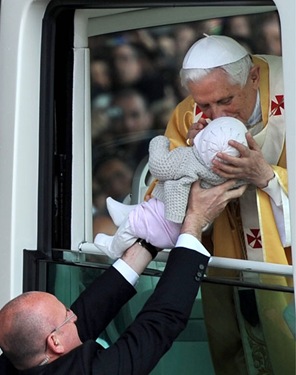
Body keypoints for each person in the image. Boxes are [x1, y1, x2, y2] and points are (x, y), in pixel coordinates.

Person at [0, 180, 247, 374]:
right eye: (66, 314)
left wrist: (147, 244)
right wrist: (195, 222)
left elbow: (86, 316)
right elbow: (158, 325)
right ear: (54, 342)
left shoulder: (20, 360)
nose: (74, 315)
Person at [160, 34, 292, 374]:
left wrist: (267, 178)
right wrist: (193, 156)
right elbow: (163, 196)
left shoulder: (290, 87)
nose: (214, 115)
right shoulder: (190, 113)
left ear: (252, 78)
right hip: (226, 260)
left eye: (225, 100)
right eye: (205, 105)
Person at [94, 116, 248, 258]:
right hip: (179, 223)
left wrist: (159, 142)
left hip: (166, 222)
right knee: (144, 210)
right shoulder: (231, 175)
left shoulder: (189, 160)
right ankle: (127, 212)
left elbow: (159, 166)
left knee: (132, 226)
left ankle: (113, 247)